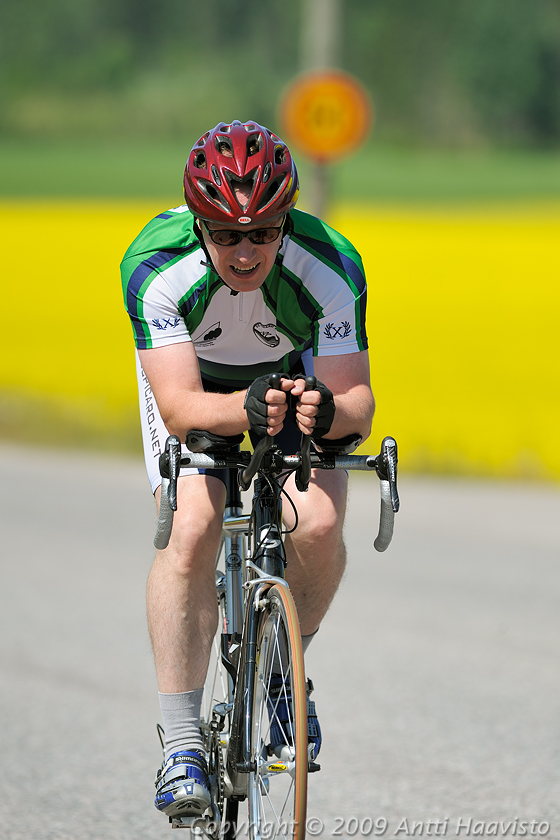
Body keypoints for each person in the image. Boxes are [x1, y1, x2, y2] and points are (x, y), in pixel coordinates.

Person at [120, 120, 375, 818]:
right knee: (197, 524)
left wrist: (321, 411)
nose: (244, 250)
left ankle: (286, 680)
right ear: (198, 224)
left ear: (285, 221)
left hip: (290, 383)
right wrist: (247, 406)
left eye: (263, 232)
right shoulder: (155, 263)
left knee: (318, 524)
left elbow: (359, 404)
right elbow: (179, 408)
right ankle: (180, 745)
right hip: (197, 388)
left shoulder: (329, 263)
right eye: (225, 233)